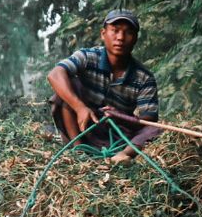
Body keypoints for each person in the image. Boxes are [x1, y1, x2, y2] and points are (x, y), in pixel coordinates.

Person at [47, 9, 161, 164]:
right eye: (115, 31)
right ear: (103, 34)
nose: (120, 38)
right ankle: (79, 150)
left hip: (119, 136)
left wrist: (121, 116)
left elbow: (149, 118)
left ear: (135, 38)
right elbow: (55, 74)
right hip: (83, 128)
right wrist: (80, 108)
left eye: (128, 33)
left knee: (157, 129)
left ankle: (122, 155)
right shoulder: (87, 57)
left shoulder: (144, 78)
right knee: (68, 84)